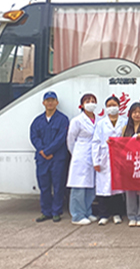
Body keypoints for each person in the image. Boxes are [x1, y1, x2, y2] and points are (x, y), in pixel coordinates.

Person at [30, 91, 69, 223]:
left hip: (57, 158)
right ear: (43, 103)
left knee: (58, 186)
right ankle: (46, 212)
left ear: (57, 102)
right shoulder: (38, 121)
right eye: (48, 100)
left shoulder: (63, 119)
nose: (50, 103)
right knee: (44, 186)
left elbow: (61, 138)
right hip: (42, 159)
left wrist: (48, 150)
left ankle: (56, 212)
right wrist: (42, 151)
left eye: (52, 100)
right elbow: (34, 137)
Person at [92, 95, 128, 225]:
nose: (112, 108)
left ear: (119, 106)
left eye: (114, 105)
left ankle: (117, 213)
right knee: (103, 188)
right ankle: (104, 214)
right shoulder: (101, 123)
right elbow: (95, 142)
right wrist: (96, 161)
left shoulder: (124, 121)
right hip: (104, 158)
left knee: (117, 188)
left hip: (119, 158)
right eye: (109, 105)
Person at [66, 93, 100, 225]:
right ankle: (77, 215)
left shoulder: (99, 119)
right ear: (82, 105)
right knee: (79, 186)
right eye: (87, 101)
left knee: (91, 186)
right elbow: (70, 139)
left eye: (93, 101)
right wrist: (76, 154)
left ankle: (87, 211)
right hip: (81, 154)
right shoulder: (77, 120)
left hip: (94, 155)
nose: (91, 103)